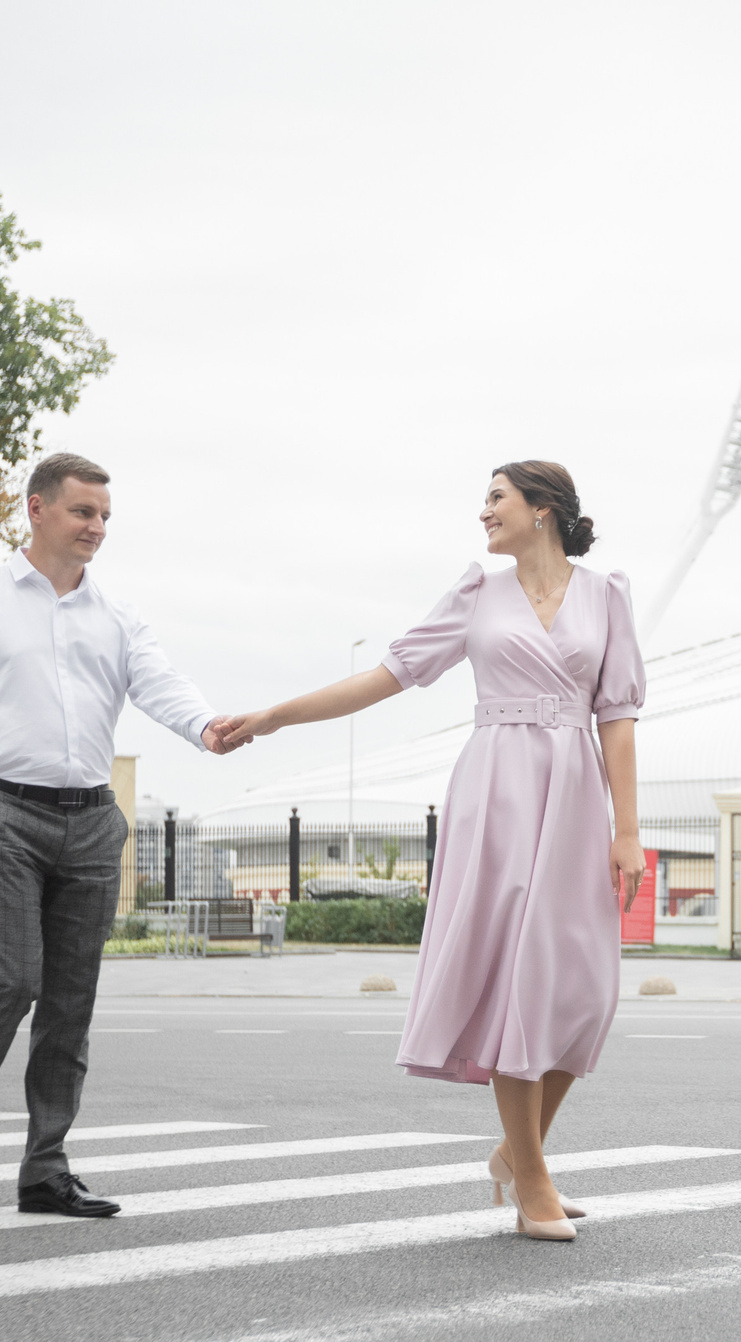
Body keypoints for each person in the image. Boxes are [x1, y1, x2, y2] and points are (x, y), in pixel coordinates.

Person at [216, 461, 644, 1242]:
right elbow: (387, 677)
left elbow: (616, 716)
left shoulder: (606, 595)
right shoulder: (477, 593)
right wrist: (274, 716)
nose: (483, 512)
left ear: (542, 509)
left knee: (583, 988)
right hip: (497, 795)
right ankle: (532, 1176)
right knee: (515, 979)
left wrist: (627, 830)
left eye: (496, 498)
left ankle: (515, 1152)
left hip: (575, 797)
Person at [0, 453, 243, 1220]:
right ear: (38, 508)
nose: (97, 527)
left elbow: (159, 683)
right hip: (4, 814)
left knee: (69, 1003)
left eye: (106, 516)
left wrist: (206, 726)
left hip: (91, 822)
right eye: (84, 511)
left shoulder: (117, 616)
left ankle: (44, 1171)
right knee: (9, 982)